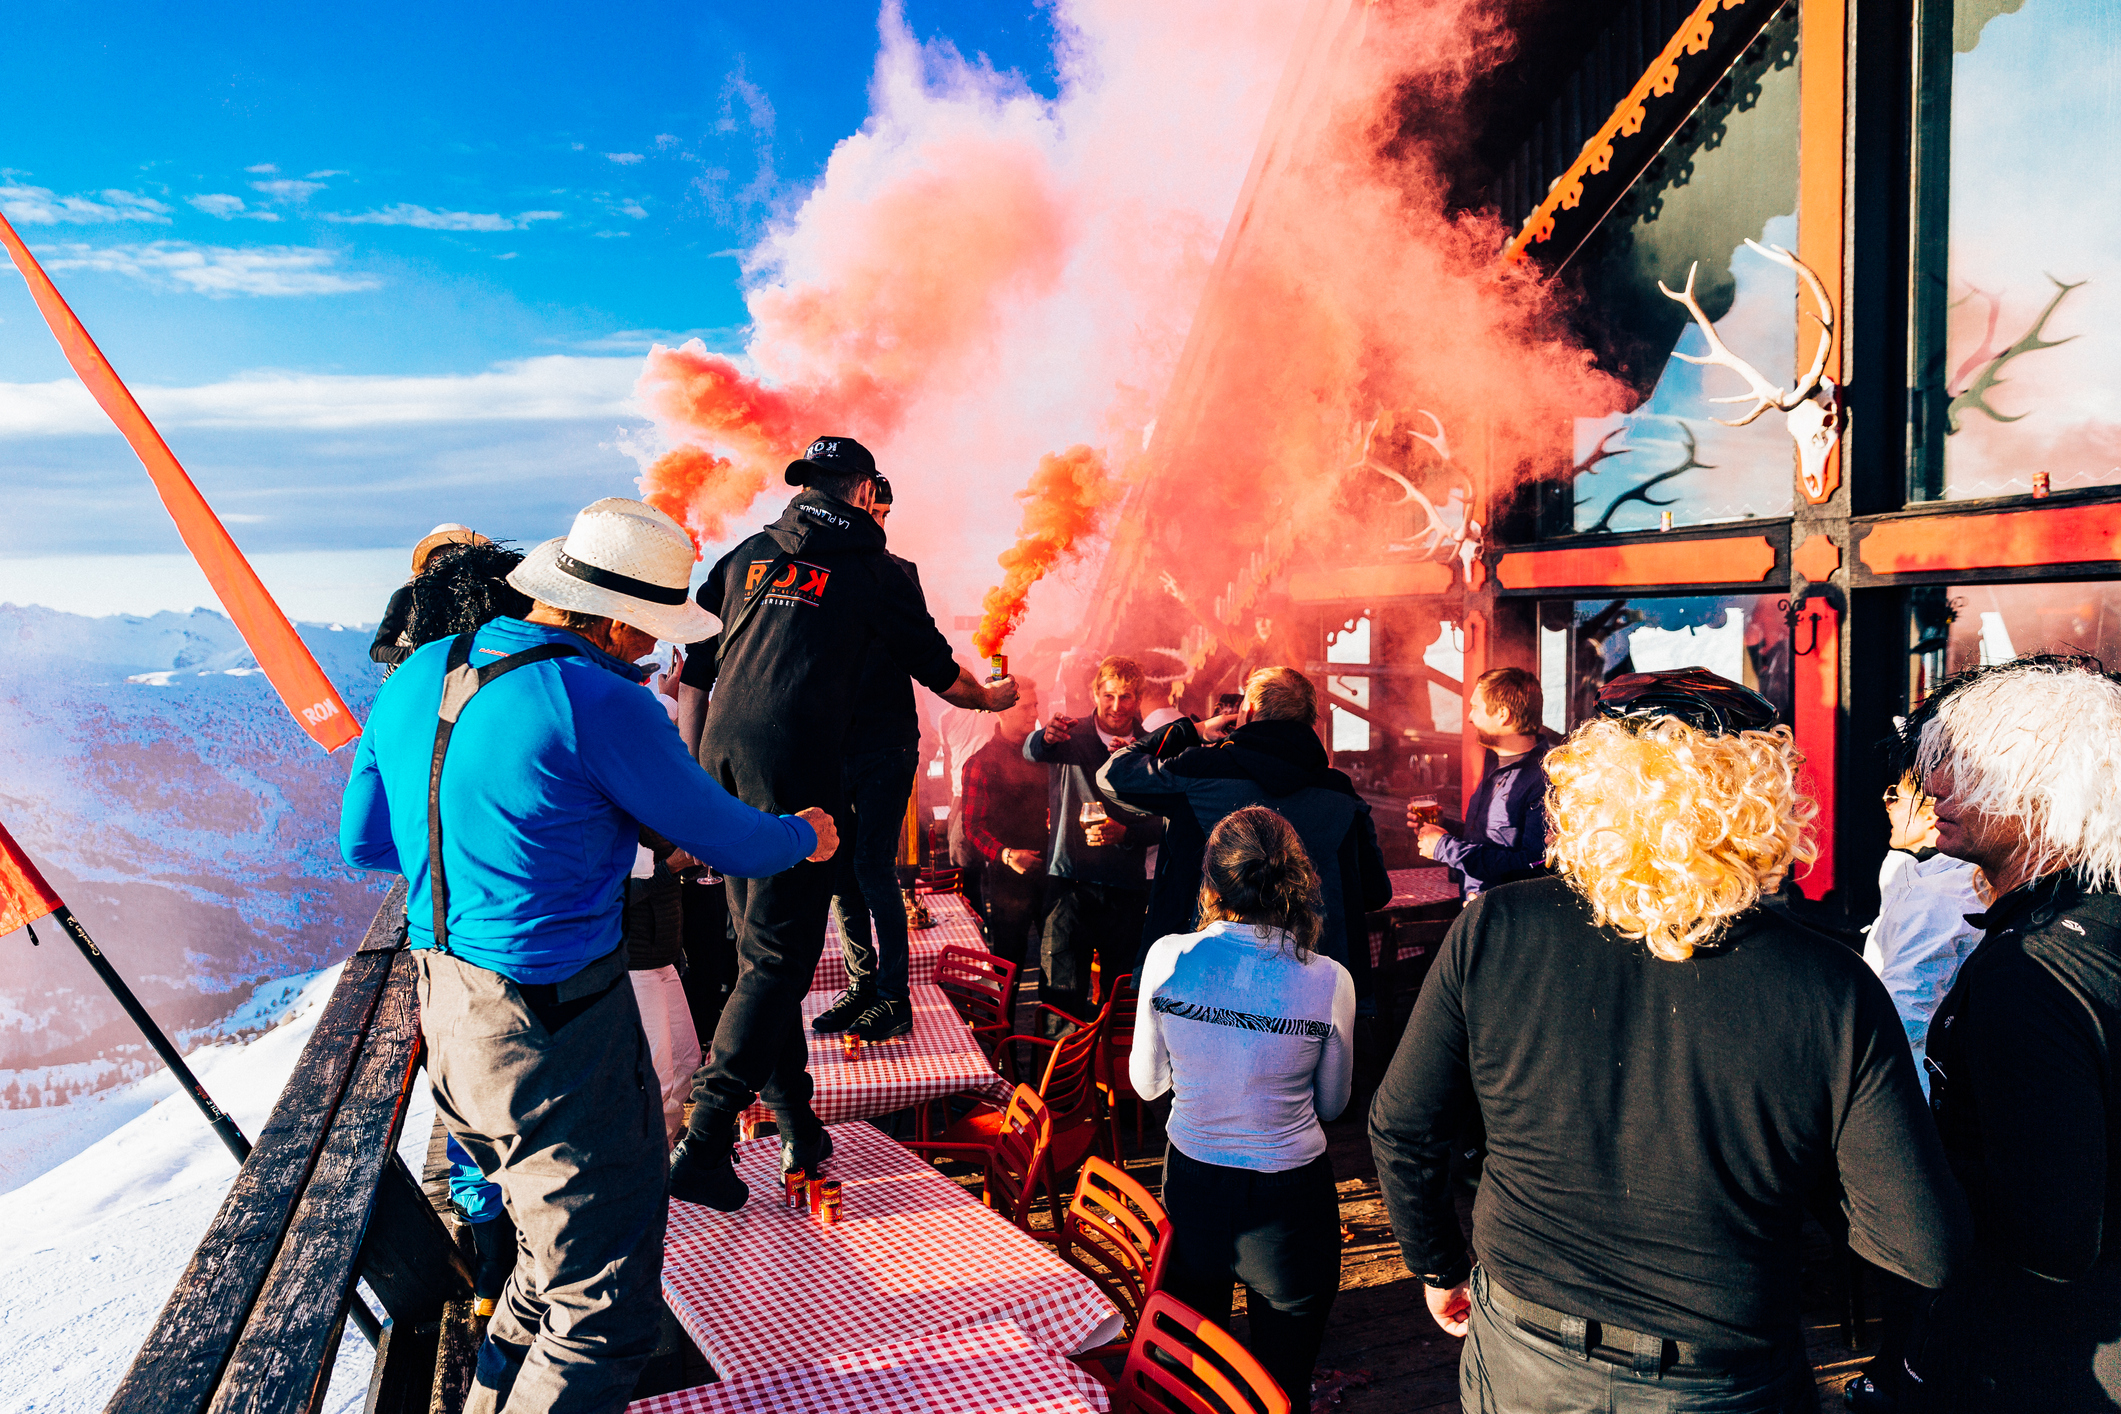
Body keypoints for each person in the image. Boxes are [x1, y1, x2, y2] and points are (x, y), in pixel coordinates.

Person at [341, 497, 833, 1413]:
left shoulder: (414, 676)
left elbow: (366, 844)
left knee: (543, 1267)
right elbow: (734, 843)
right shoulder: (598, 698)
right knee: (602, 1316)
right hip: (555, 1026)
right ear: (609, 618)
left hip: (448, 1012)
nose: (652, 652)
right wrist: (804, 834)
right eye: (647, 632)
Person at [1369, 666, 1968, 1414]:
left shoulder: (1496, 928)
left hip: (1525, 1351)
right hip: (1719, 1378)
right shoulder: (1831, 987)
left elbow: (1401, 1127)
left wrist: (1436, 1268)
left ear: (1591, 787)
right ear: (1761, 798)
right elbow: (1920, 1245)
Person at [673, 435, 1017, 1210]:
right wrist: (993, 699)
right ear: (863, 492)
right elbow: (944, 673)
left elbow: (693, 673)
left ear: (805, 487)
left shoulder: (746, 556)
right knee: (775, 968)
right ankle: (705, 1139)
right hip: (796, 769)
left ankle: (799, 1128)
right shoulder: (874, 571)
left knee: (766, 956)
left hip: (724, 761)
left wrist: (696, 779)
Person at [1900, 654, 2121, 1410]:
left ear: (2044, 788)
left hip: (2051, 1360)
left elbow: (2047, 1232)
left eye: (1964, 767)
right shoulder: (2094, 925)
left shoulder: (2029, 970)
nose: (1934, 787)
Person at [1130, 806, 1355, 1405]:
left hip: (1196, 1189)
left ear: (1209, 886)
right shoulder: (1330, 978)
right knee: (1282, 1390)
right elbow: (1333, 1104)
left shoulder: (1166, 958)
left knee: (1192, 1381)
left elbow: (1147, 1084)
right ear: (1296, 885)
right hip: (1292, 1203)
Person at [1098, 666, 1389, 977]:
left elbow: (1113, 775)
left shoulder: (1201, 770)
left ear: (1248, 710)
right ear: (1309, 720)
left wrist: (1193, 731)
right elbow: (1374, 892)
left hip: (1200, 971)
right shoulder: (1341, 792)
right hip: (1314, 980)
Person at [815, 473, 927, 1042]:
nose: (874, 524)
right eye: (868, 512)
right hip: (837, 743)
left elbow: (920, 652)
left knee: (870, 866)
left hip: (886, 742)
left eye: (882, 515)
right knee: (841, 870)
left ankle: (892, 996)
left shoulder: (897, 573)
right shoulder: (820, 568)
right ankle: (863, 985)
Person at [1024, 653, 1162, 1023]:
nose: (1117, 707)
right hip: (1068, 882)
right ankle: (1058, 1081)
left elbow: (1165, 820)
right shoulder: (1069, 734)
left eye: (1127, 697)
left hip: (1125, 888)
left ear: (1139, 698)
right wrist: (1044, 737)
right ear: (1095, 694)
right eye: (1109, 696)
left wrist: (1126, 832)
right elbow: (1032, 750)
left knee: (1121, 1000)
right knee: (1060, 998)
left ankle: (1112, 1080)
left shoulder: (1151, 747)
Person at [1406, 666, 1551, 894]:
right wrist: (1446, 827)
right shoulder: (1494, 762)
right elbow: (1490, 842)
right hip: (1477, 909)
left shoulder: (1544, 779)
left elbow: (1538, 863)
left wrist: (1446, 847)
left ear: (1503, 715)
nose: (1469, 718)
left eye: (1475, 708)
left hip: (1504, 919)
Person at [961, 676, 1049, 967]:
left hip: (1054, 874)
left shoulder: (1046, 754)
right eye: (1026, 707)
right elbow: (972, 827)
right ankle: (1004, 1015)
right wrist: (1007, 855)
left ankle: (1055, 1015)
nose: (1035, 713)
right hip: (1008, 880)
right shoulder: (980, 763)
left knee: (1057, 962)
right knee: (1008, 963)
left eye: (1036, 706)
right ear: (1002, 709)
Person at [369, 524, 491, 672]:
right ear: (432, 559)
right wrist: (415, 653)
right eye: (445, 553)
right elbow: (378, 650)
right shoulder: (408, 595)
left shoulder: (481, 598)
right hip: (410, 680)